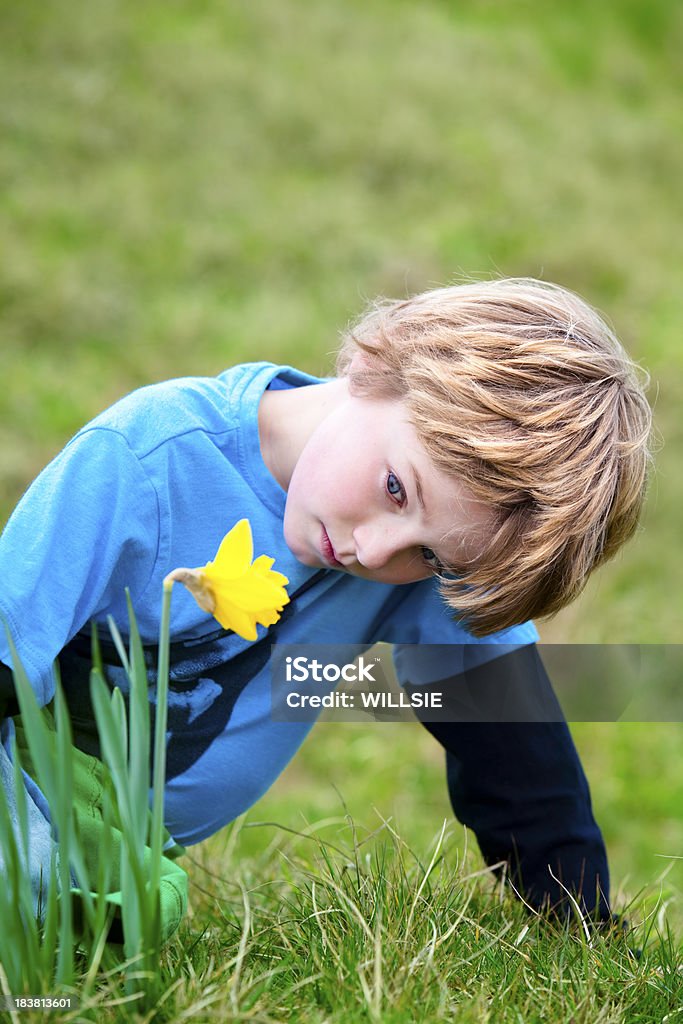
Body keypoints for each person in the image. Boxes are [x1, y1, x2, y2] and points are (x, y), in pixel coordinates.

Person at [0, 277, 652, 938]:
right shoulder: (150, 456)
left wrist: (580, 919)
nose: (375, 552)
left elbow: (514, 744)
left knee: (126, 909)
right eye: (395, 489)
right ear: (376, 367)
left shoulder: (428, 556)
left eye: (430, 557)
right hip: (18, 787)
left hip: (118, 850)